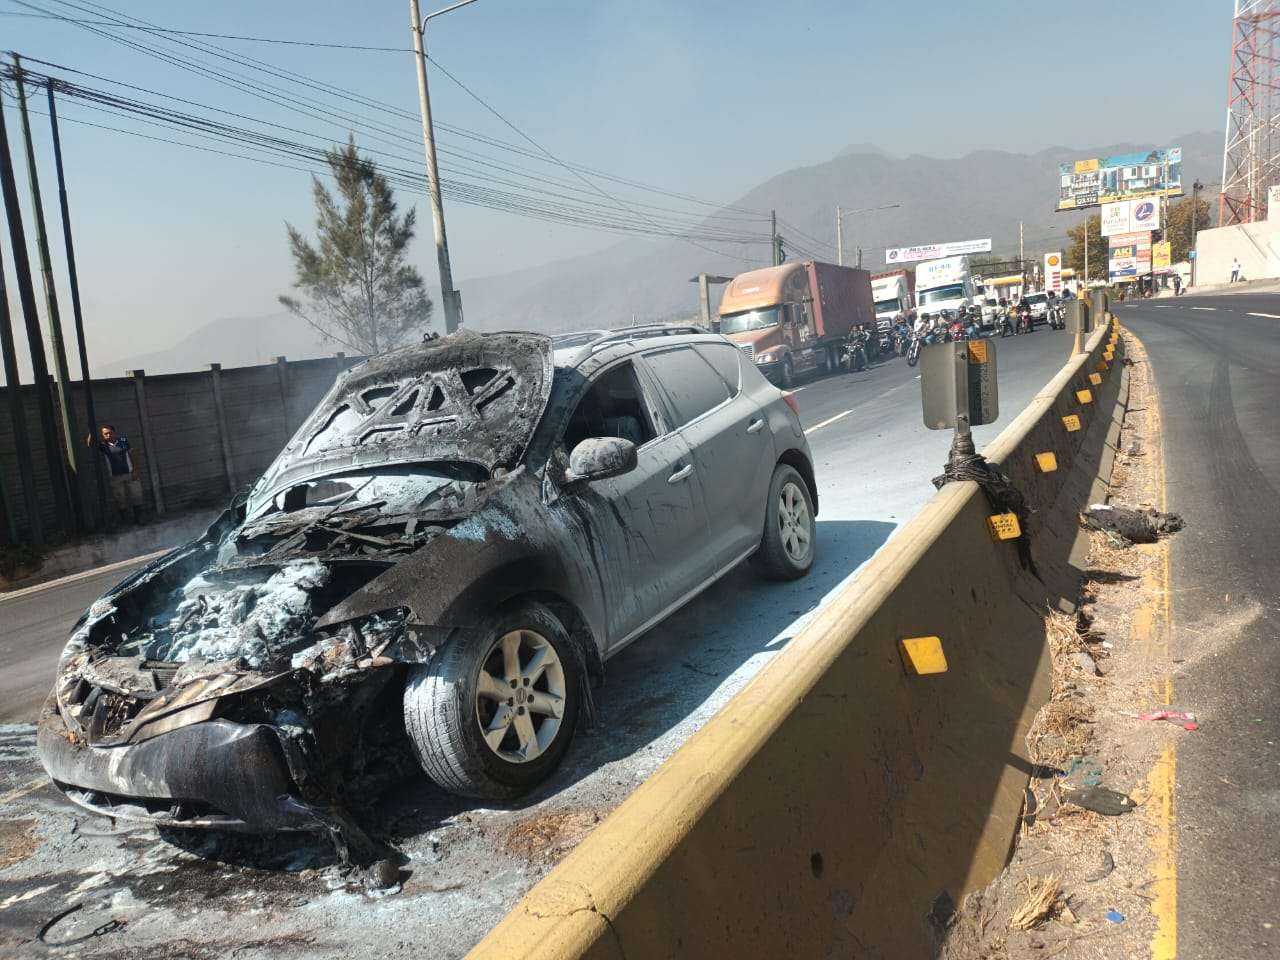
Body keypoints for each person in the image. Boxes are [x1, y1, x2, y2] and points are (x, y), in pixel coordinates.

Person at [88, 423, 145, 524]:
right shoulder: (103, 445)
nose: (108, 435)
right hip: (115, 477)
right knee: (120, 498)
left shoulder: (123, 441)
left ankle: (139, 518)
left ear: (114, 432)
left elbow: (133, 454)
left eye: (110, 433)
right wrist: (91, 432)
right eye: (105, 434)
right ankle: (125, 520)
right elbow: (90, 444)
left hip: (130, 474)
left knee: (136, 495)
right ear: (102, 435)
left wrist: (135, 470)